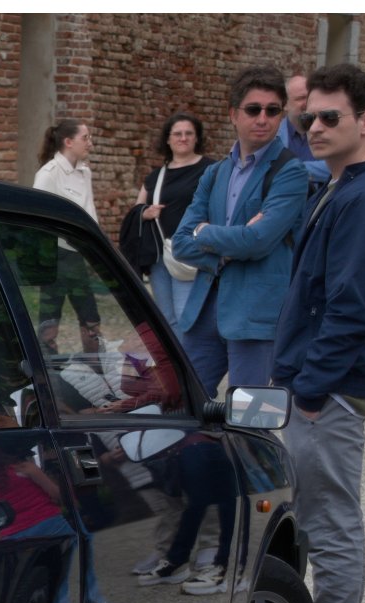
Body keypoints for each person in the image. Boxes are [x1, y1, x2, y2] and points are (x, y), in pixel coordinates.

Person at [271, 63, 365, 603]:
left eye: (330, 117)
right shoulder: (344, 186)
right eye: (309, 118)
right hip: (324, 383)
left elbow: (351, 308)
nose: (315, 127)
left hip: (331, 389)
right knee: (322, 515)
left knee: (329, 523)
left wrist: (313, 390)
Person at [169, 66, 307, 398]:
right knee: (185, 405)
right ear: (234, 114)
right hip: (204, 310)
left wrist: (205, 233)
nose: (263, 118)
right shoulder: (215, 172)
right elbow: (181, 244)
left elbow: (257, 242)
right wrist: (227, 248)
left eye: (273, 110)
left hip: (256, 315)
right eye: (253, 109)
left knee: (251, 414)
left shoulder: (291, 173)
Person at [132, 113, 213, 325]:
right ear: (167, 139)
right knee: (166, 318)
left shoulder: (211, 170)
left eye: (189, 133)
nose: (183, 138)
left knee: (184, 315)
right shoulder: (156, 176)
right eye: (177, 134)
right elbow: (136, 210)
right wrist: (146, 213)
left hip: (191, 252)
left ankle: (187, 349)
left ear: (197, 138)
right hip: (160, 254)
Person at [32, 120, 100, 332]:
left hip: (78, 253)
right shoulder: (48, 174)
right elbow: (37, 218)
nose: (90, 143)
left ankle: (96, 352)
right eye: (85, 138)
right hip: (56, 255)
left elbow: (89, 210)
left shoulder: (85, 172)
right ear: (68, 142)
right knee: (50, 318)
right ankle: (46, 352)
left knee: (90, 316)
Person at [278, 74, 333, 187]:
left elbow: (335, 167)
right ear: (285, 105)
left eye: (309, 97)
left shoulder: (329, 129)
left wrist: (292, 170)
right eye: (300, 98)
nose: (307, 103)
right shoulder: (273, 134)